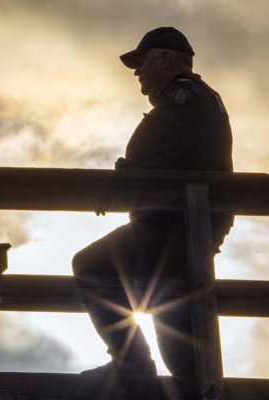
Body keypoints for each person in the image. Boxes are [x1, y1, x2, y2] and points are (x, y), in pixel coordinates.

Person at [72, 27, 233, 395]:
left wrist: (126, 177)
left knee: (91, 266)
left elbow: (183, 162)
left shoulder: (185, 97)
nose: (137, 73)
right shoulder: (197, 99)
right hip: (181, 233)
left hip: (170, 231)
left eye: (141, 62)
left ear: (165, 58)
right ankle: (146, 376)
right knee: (180, 345)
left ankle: (135, 371)